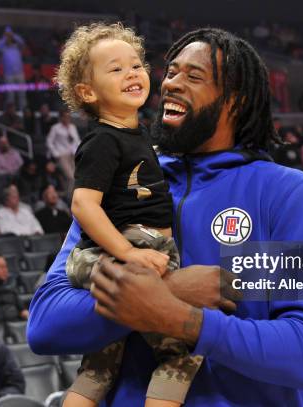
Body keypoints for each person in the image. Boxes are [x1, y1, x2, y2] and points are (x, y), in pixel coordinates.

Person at [28, 27, 303, 407]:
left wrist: (184, 320)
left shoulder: (286, 193)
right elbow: (45, 325)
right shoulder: (120, 180)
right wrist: (168, 294)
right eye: (171, 72)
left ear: (235, 100)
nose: (171, 84)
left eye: (193, 77)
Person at [55, 23, 192, 407]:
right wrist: (129, 254)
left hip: (138, 247)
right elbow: (83, 205)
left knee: (102, 362)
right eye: (115, 69)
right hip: (126, 250)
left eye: (136, 64)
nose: (132, 73)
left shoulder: (137, 133)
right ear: (87, 92)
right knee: (182, 350)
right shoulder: (102, 140)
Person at [46, 106, 81, 181]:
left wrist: (79, 151)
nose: (67, 118)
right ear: (61, 117)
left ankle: (70, 192)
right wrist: (56, 153)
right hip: (62, 155)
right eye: (65, 117)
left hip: (73, 155)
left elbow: (77, 140)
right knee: (71, 177)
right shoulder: (55, 128)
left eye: (68, 117)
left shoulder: (72, 127)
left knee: (77, 177)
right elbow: (49, 141)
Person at [0, 27, 26, 110]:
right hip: (8, 75)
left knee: (22, 94)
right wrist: (5, 37)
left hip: (19, 74)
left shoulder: (17, 47)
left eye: (10, 36)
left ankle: (23, 111)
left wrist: (13, 35)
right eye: (7, 36)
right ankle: (11, 111)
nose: (9, 37)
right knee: (10, 95)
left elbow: (22, 42)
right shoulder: (2, 47)